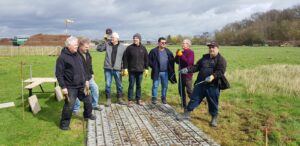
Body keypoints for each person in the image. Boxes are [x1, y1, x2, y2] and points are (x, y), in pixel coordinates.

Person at [176, 41, 227, 127]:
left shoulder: (221, 60)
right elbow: (196, 66)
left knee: (213, 102)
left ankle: (214, 117)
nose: (211, 49)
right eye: (210, 47)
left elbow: (220, 71)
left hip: (213, 86)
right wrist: (187, 69)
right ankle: (187, 114)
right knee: (194, 99)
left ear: (218, 48)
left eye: (213, 47)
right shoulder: (205, 57)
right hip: (200, 84)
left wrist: (212, 76)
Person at [56, 36, 95, 130]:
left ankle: (87, 115)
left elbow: (82, 69)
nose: (77, 46)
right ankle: (64, 125)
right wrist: (63, 87)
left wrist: (86, 80)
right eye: (75, 45)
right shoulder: (62, 58)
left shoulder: (77, 55)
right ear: (69, 45)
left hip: (81, 85)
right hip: (70, 87)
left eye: (77, 45)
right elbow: (59, 74)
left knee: (88, 99)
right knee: (69, 105)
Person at [73, 37, 102, 115]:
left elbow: (89, 65)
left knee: (95, 88)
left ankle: (94, 105)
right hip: (79, 78)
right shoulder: (76, 54)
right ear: (80, 46)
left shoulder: (87, 53)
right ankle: (76, 109)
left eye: (88, 47)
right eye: (86, 47)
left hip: (88, 77)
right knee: (78, 93)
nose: (87, 48)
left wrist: (92, 73)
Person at [96, 32, 127, 106]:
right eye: (111, 37)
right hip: (108, 68)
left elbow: (125, 59)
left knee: (119, 85)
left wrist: (124, 68)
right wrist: (104, 40)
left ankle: (119, 99)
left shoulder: (122, 47)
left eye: (113, 37)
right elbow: (98, 49)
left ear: (117, 39)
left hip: (117, 69)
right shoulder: (107, 44)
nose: (111, 39)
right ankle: (108, 100)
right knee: (108, 84)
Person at [122, 33, 149, 107]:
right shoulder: (129, 48)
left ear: (139, 39)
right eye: (134, 38)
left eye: (136, 38)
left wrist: (146, 68)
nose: (135, 39)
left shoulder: (143, 48)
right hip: (131, 70)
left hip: (140, 71)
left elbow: (146, 59)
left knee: (139, 85)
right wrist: (125, 68)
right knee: (131, 85)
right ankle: (130, 100)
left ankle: (138, 99)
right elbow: (125, 59)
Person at [148, 37, 176, 104]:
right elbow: (148, 60)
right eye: (162, 42)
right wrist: (154, 67)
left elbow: (172, 60)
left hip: (165, 72)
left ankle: (163, 98)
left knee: (165, 86)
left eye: (165, 43)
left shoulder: (168, 51)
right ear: (159, 43)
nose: (164, 44)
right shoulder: (153, 51)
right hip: (156, 72)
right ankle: (154, 98)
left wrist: (178, 56)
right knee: (155, 85)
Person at [175, 39, 194, 110]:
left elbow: (188, 63)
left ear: (188, 45)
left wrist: (181, 55)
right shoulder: (181, 52)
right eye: (182, 43)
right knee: (181, 90)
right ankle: (184, 104)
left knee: (189, 91)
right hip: (181, 75)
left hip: (187, 75)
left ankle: (194, 103)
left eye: (184, 43)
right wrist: (177, 55)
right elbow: (176, 61)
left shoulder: (191, 52)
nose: (182, 44)